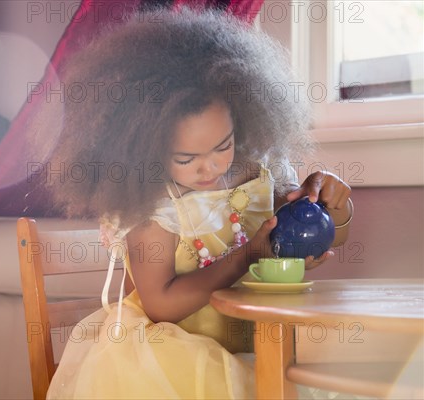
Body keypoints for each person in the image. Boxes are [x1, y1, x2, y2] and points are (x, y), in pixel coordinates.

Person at [42, 6, 353, 399]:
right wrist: (247, 257)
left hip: (258, 343)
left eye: (223, 145)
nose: (211, 168)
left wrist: (332, 206)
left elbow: (316, 232)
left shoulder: (257, 167)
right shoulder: (154, 206)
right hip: (172, 354)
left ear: (241, 120)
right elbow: (161, 304)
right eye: (186, 159)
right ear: (144, 150)